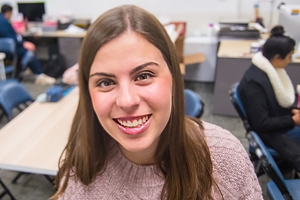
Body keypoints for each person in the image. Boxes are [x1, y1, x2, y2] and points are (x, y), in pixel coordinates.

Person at [52, 5, 262, 200]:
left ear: (173, 77)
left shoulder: (225, 157)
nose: (127, 101)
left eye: (143, 76)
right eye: (106, 82)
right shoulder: (78, 177)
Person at [239, 25, 300, 172]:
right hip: (267, 131)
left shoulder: (268, 72)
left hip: (275, 122)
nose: (290, 60)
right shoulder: (255, 82)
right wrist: (292, 120)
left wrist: (292, 111)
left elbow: (272, 103)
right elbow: (261, 123)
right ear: (277, 57)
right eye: (289, 56)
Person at [0, 4, 56, 85]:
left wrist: (17, 32)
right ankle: (39, 75)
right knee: (30, 51)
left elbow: (10, 34)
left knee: (30, 47)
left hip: (10, 47)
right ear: (8, 12)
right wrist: (23, 43)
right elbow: (10, 38)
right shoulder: (3, 22)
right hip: (9, 50)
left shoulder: (3, 20)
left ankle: (29, 68)